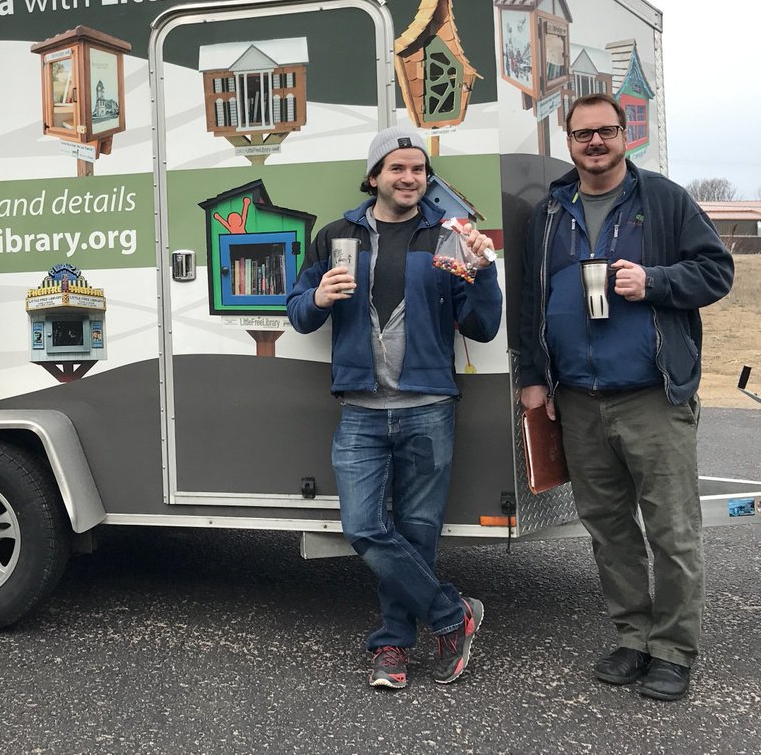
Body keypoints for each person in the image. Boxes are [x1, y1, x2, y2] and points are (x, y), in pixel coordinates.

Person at [518, 92, 733, 701]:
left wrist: (656, 281)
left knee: (672, 530)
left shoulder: (662, 199)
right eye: (583, 134)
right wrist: (533, 376)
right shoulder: (551, 212)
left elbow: (717, 271)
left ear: (624, 136)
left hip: (651, 396)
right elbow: (532, 303)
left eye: (605, 132)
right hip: (578, 400)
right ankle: (632, 637)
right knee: (609, 530)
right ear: (569, 141)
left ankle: (672, 650)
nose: (595, 143)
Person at [287, 126, 501, 689]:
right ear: (375, 175)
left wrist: (484, 273)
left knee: (417, 531)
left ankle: (392, 647)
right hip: (361, 406)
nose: (410, 179)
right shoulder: (339, 235)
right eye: (398, 168)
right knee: (362, 526)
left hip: (428, 405)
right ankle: (454, 617)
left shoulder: (447, 238)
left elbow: (481, 326)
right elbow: (298, 311)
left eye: (418, 170)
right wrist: (316, 298)